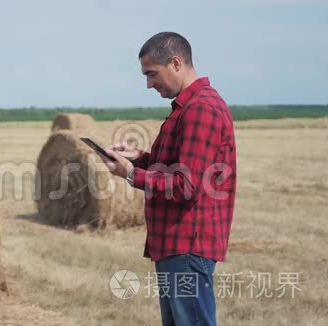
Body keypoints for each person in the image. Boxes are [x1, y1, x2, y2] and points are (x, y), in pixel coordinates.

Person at [99, 32, 237, 325]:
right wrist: (139, 157)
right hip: (176, 244)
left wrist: (131, 175)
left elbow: (186, 185)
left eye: (152, 74)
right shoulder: (187, 108)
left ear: (175, 63)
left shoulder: (201, 109)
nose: (149, 84)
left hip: (187, 245)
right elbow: (178, 166)